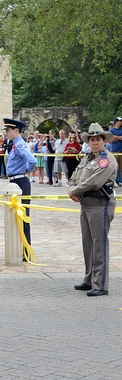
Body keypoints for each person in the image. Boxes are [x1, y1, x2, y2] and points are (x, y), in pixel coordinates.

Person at [69, 124, 118, 296]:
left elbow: (95, 181)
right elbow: (75, 175)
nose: (95, 142)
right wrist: (74, 189)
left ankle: (100, 284)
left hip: (99, 203)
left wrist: (75, 191)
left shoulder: (105, 159)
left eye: (98, 139)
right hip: (86, 202)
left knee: (99, 244)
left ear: (104, 141)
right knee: (88, 243)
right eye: (92, 139)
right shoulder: (88, 158)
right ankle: (89, 279)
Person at [3, 118, 37, 253]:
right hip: (15, 181)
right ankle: (20, 247)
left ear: (16, 130)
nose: (6, 133)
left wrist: (27, 169)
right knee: (17, 216)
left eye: (8, 130)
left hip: (19, 181)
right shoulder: (15, 144)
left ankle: (26, 249)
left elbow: (32, 160)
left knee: (22, 216)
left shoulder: (20, 145)